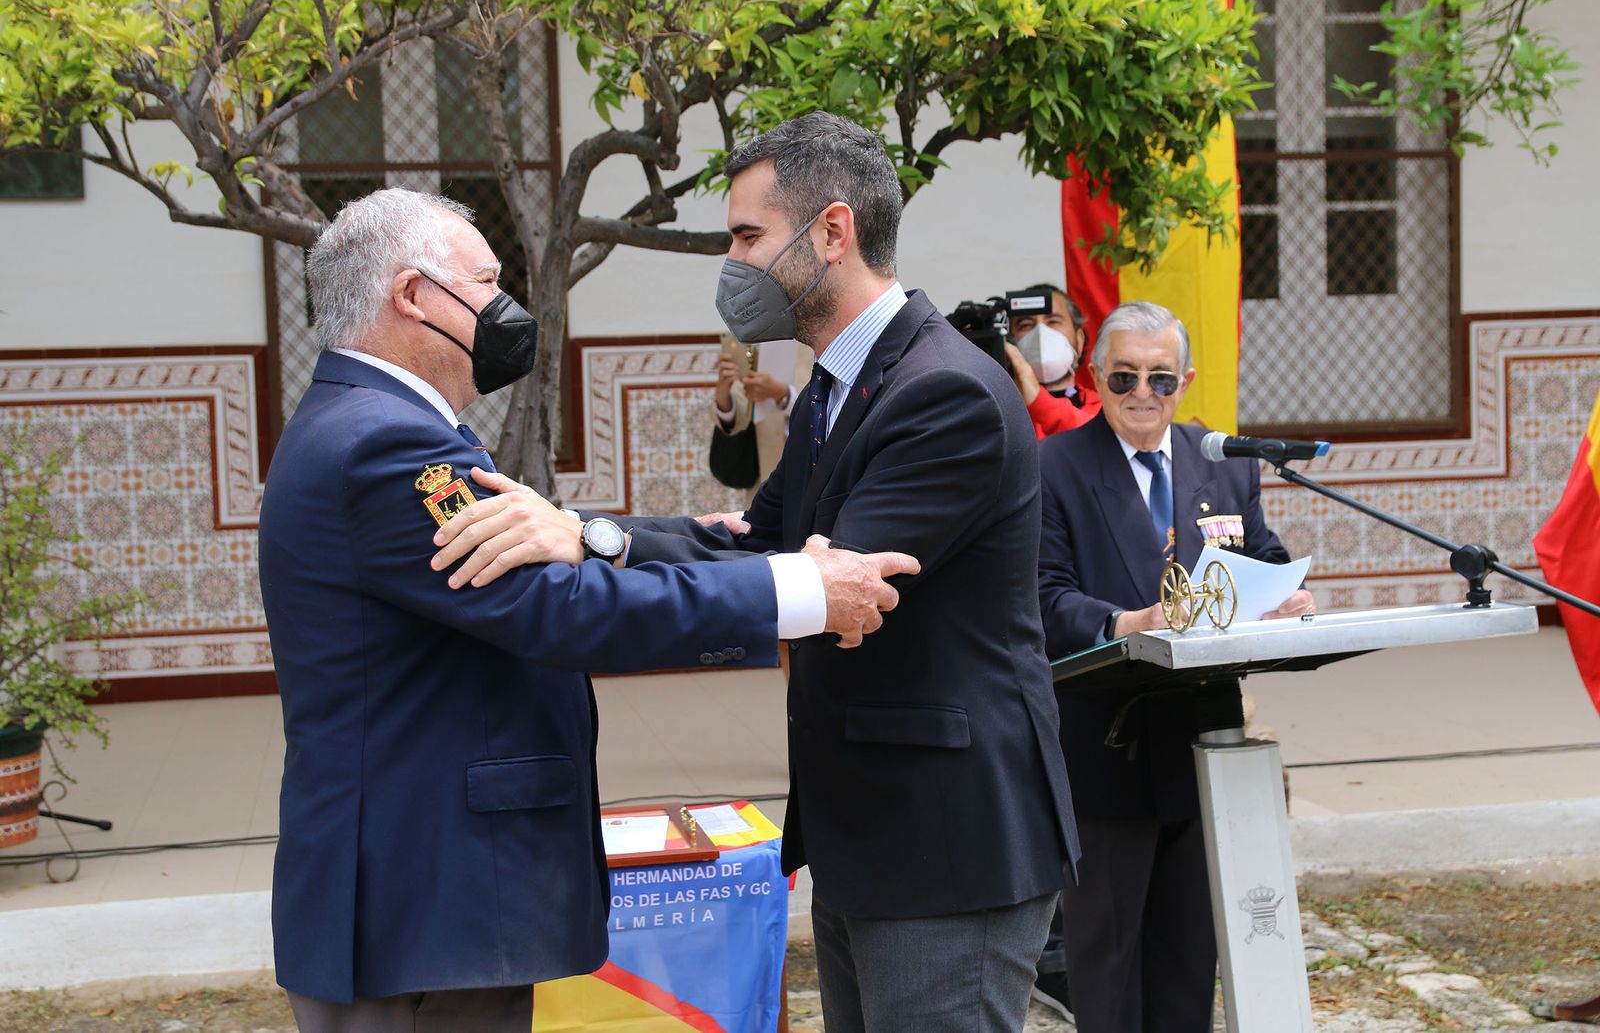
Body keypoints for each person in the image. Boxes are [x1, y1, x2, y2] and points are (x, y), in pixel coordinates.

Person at [436, 112, 1079, 1033]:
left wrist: (597, 557)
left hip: (947, 841)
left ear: (833, 231)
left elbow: (838, 590)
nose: (733, 263)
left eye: (747, 236)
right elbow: (754, 543)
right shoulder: (835, 385)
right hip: (869, 834)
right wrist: (586, 534)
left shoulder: (942, 392)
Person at [256, 187, 918, 1033]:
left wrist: (689, 544)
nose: (505, 305)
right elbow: (557, 609)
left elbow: (546, 549)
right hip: (419, 900)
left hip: (425, 894)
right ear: (414, 295)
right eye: (486, 282)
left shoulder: (375, 421)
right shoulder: (385, 443)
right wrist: (794, 590)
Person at [1033, 300, 1314, 1031]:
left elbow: (1261, 555)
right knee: (1109, 965)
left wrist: (1285, 596)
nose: (1142, 393)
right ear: (1095, 376)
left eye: (1160, 378)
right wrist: (1128, 622)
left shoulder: (1219, 462)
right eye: (1123, 376)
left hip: (1205, 743)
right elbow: (1042, 595)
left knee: (1190, 960)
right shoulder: (1055, 466)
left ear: (1184, 383)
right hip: (1107, 746)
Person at [711, 339, 815, 502]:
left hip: (814, 470)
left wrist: (784, 395)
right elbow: (740, 409)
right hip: (766, 474)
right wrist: (724, 399)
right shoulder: (756, 334)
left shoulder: (823, 334)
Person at [1002, 283, 1101, 438]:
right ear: (1010, 341)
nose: (1041, 333)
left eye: (1053, 321)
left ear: (1080, 340)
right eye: (1026, 325)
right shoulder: (999, 412)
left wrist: (1038, 401)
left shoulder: (1107, 407)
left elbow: (1100, 441)